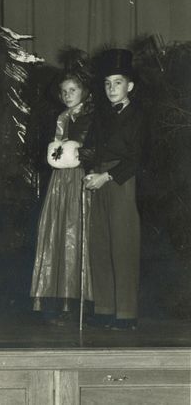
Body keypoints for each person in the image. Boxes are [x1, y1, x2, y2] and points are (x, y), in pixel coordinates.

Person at [82, 49, 144, 330]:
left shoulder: (139, 115)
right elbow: (90, 148)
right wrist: (89, 172)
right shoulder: (100, 116)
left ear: (129, 85)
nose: (111, 88)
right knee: (100, 244)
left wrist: (106, 176)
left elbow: (138, 158)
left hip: (122, 181)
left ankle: (126, 313)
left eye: (117, 83)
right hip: (99, 179)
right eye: (107, 84)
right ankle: (105, 308)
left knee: (123, 245)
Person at [30, 71, 94, 323]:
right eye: (64, 91)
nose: (67, 95)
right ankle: (55, 298)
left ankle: (76, 302)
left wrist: (79, 152)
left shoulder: (92, 116)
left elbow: (93, 147)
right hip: (60, 180)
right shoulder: (61, 117)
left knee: (76, 232)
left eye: (73, 90)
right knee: (55, 231)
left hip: (80, 177)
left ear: (84, 92)